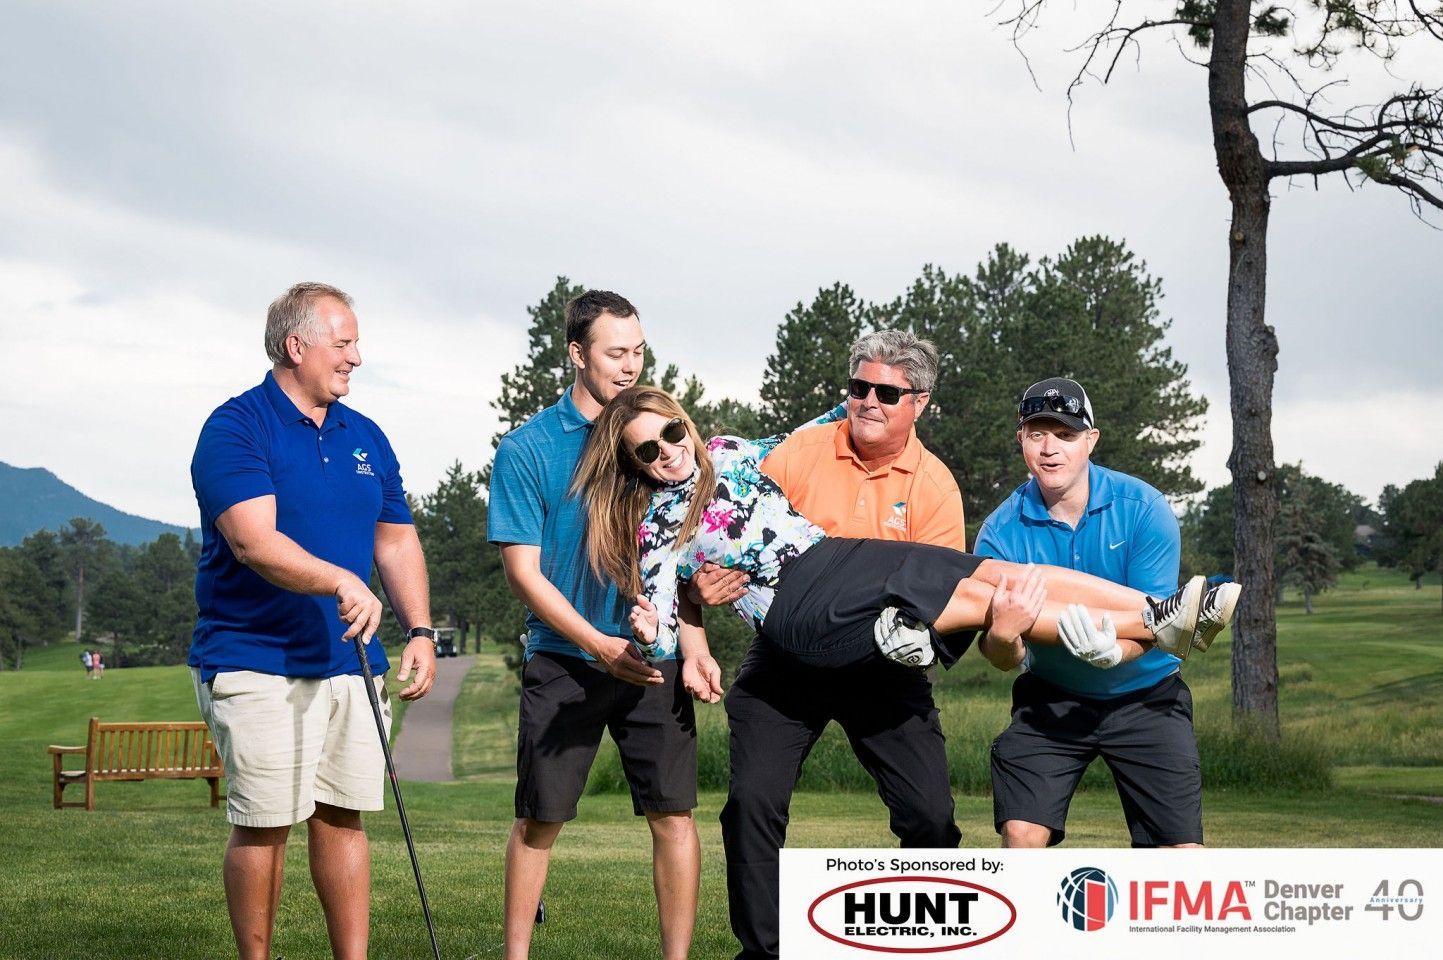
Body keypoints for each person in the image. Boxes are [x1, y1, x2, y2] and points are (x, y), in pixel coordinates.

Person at [572, 385, 1233, 683]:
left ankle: (1161, 614)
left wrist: (887, 389)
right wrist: (646, 635)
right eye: (645, 451)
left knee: (988, 579)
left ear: (685, 426)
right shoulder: (653, 526)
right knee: (977, 597)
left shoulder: (728, 449)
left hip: (834, 557)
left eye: (669, 433)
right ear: (632, 463)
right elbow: (657, 635)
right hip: (800, 610)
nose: (666, 452)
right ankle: (1154, 628)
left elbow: (816, 424)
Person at [697, 331, 978, 960]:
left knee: (930, 818)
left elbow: (942, 599)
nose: (869, 402)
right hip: (786, 660)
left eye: (887, 392)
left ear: (920, 403)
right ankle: (763, 950)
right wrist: (709, 581)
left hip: (882, 667)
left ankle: (921, 947)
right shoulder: (801, 451)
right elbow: (729, 533)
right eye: (859, 388)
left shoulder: (934, 486)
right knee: (750, 804)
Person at [188, 282, 437, 960]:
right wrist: (339, 580)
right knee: (265, 823)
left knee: (342, 817)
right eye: (344, 342)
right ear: (297, 346)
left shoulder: (367, 436)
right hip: (254, 657)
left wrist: (419, 628)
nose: (356, 356)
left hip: (348, 661)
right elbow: (252, 540)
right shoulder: (236, 427)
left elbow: (395, 538)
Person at [488, 290, 722, 960]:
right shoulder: (527, 448)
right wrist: (595, 643)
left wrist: (696, 628)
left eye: (638, 351)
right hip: (566, 657)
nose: (629, 365)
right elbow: (523, 574)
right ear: (576, 354)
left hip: (654, 659)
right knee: (540, 818)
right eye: (614, 352)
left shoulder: (658, 435)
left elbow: (688, 552)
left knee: (673, 815)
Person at [974, 377, 1240, 849]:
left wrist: (1113, 653)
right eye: (1037, 434)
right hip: (1053, 697)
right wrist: (1003, 635)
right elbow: (1002, 657)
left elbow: (1155, 629)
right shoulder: (998, 533)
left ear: (1091, 440)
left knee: (1181, 855)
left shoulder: (1143, 509)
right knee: (1021, 834)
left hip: (1147, 696)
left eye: (1066, 435)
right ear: (1021, 438)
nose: (1050, 449)